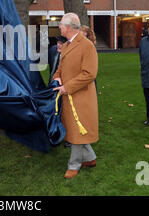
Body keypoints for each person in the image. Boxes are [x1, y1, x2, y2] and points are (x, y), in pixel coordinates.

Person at [53, 13, 98, 179]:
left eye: (60, 25)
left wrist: (67, 87)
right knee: (76, 129)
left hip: (81, 97)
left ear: (68, 27)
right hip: (68, 95)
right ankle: (91, 158)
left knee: (78, 131)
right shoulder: (65, 46)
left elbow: (89, 74)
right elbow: (61, 68)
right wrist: (56, 77)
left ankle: (74, 165)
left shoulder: (87, 46)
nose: (59, 27)